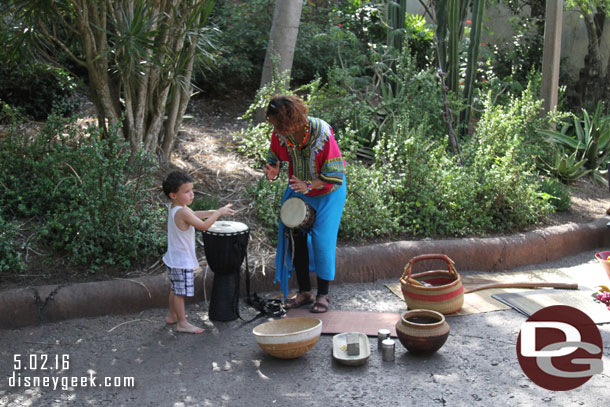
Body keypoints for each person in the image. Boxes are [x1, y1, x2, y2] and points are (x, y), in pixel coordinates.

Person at [264, 95, 347, 313]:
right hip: (299, 187)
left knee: (322, 240)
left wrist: (309, 185)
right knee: (295, 236)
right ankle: (304, 292)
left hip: (329, 191)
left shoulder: (322, 133)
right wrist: (273, 169)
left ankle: (323, 294)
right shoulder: (281, 134)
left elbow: (336, 174)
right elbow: (274, 156)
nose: (275, 129)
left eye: (277, 124)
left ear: (290, 122)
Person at [162, 170, 235, 333]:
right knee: (180, 292)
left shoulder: (177, 207)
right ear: (173, 195)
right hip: (181, 260)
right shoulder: (181, 211)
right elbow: (203, 226)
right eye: (186, 192)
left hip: (174, 258)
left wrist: (215, 211)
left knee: (175, 289)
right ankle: (182, 323)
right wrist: (217, 214)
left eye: (191, 190)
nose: (191, 194)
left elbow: (194, 215)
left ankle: (173, 316)